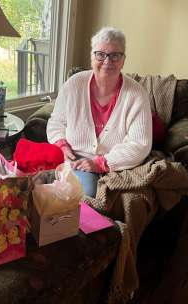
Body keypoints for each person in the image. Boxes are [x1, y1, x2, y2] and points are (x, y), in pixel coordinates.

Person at [47, 27, 152, 197]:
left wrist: (101, 163)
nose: (107, 61)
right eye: (100, 54)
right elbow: (56, 122)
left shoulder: (137, 95)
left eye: (115, 55)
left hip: (113, 163)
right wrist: (62, 144)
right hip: (72, 157)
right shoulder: (74, 84)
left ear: (123, 60)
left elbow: (140, 145)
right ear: (91, 57)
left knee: (84, 195)